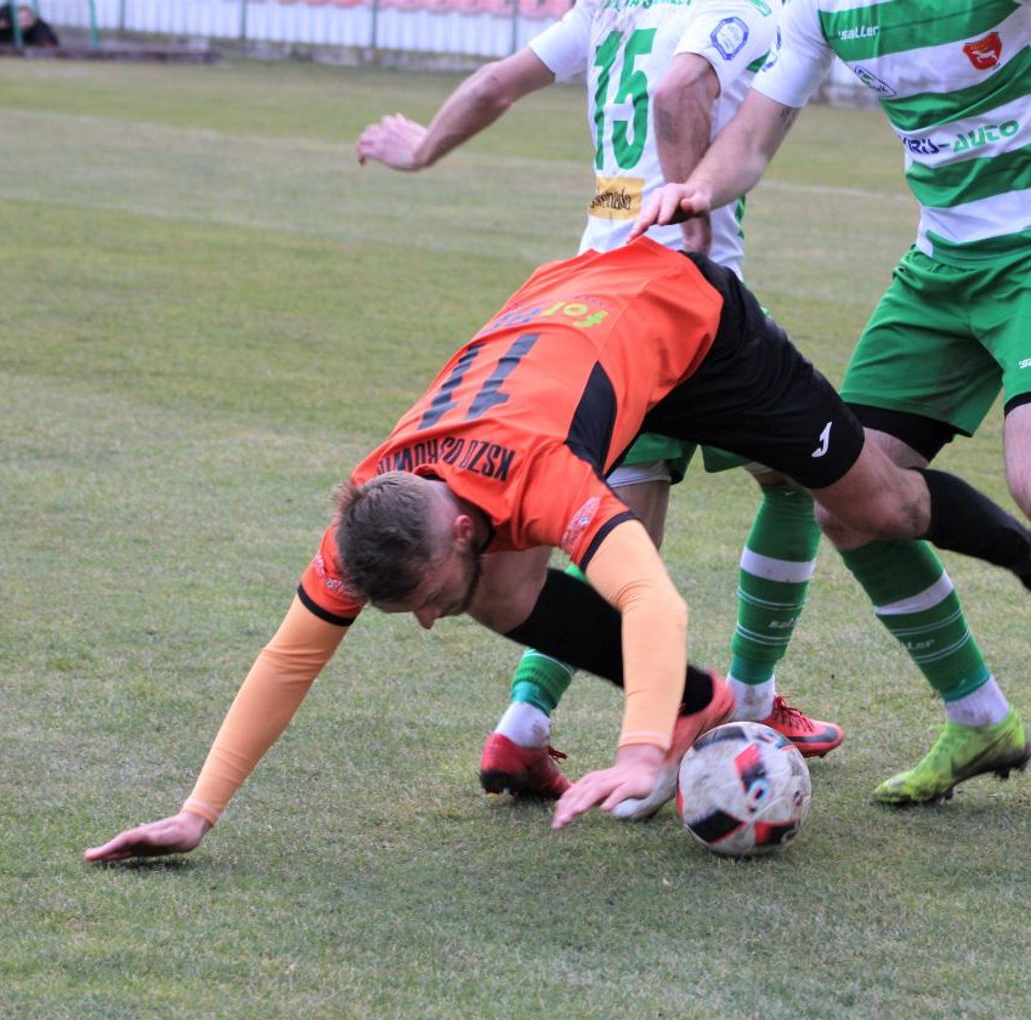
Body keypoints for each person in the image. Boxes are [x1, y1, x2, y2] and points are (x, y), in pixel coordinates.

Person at [83, 239, 1031, 862]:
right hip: (575, 323)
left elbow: (653, 600)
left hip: (692, 324)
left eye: (426, 597)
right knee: (500, 594)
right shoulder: (377, 509)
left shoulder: (537, 474)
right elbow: (290, 656)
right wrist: (196, 813)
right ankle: (703, 703)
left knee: (882, 504)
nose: (429, 621)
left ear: (457, 525)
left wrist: (634, 751)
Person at [633, 0, 1031, 823]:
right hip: (938, 273)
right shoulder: (824, 8)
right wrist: (694, 191)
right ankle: (978, 718)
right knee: (847, 500)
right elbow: (750, 140)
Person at [356, 0, 844, 800]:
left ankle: (524, 723)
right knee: (792, 483)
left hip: (591, 304)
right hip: (682, 302)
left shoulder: (607, 7)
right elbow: (681, 89)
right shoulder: (730, 8)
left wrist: (421, 149)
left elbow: (495, 82)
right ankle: (748, 702)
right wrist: (689, 208)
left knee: (616, 536)